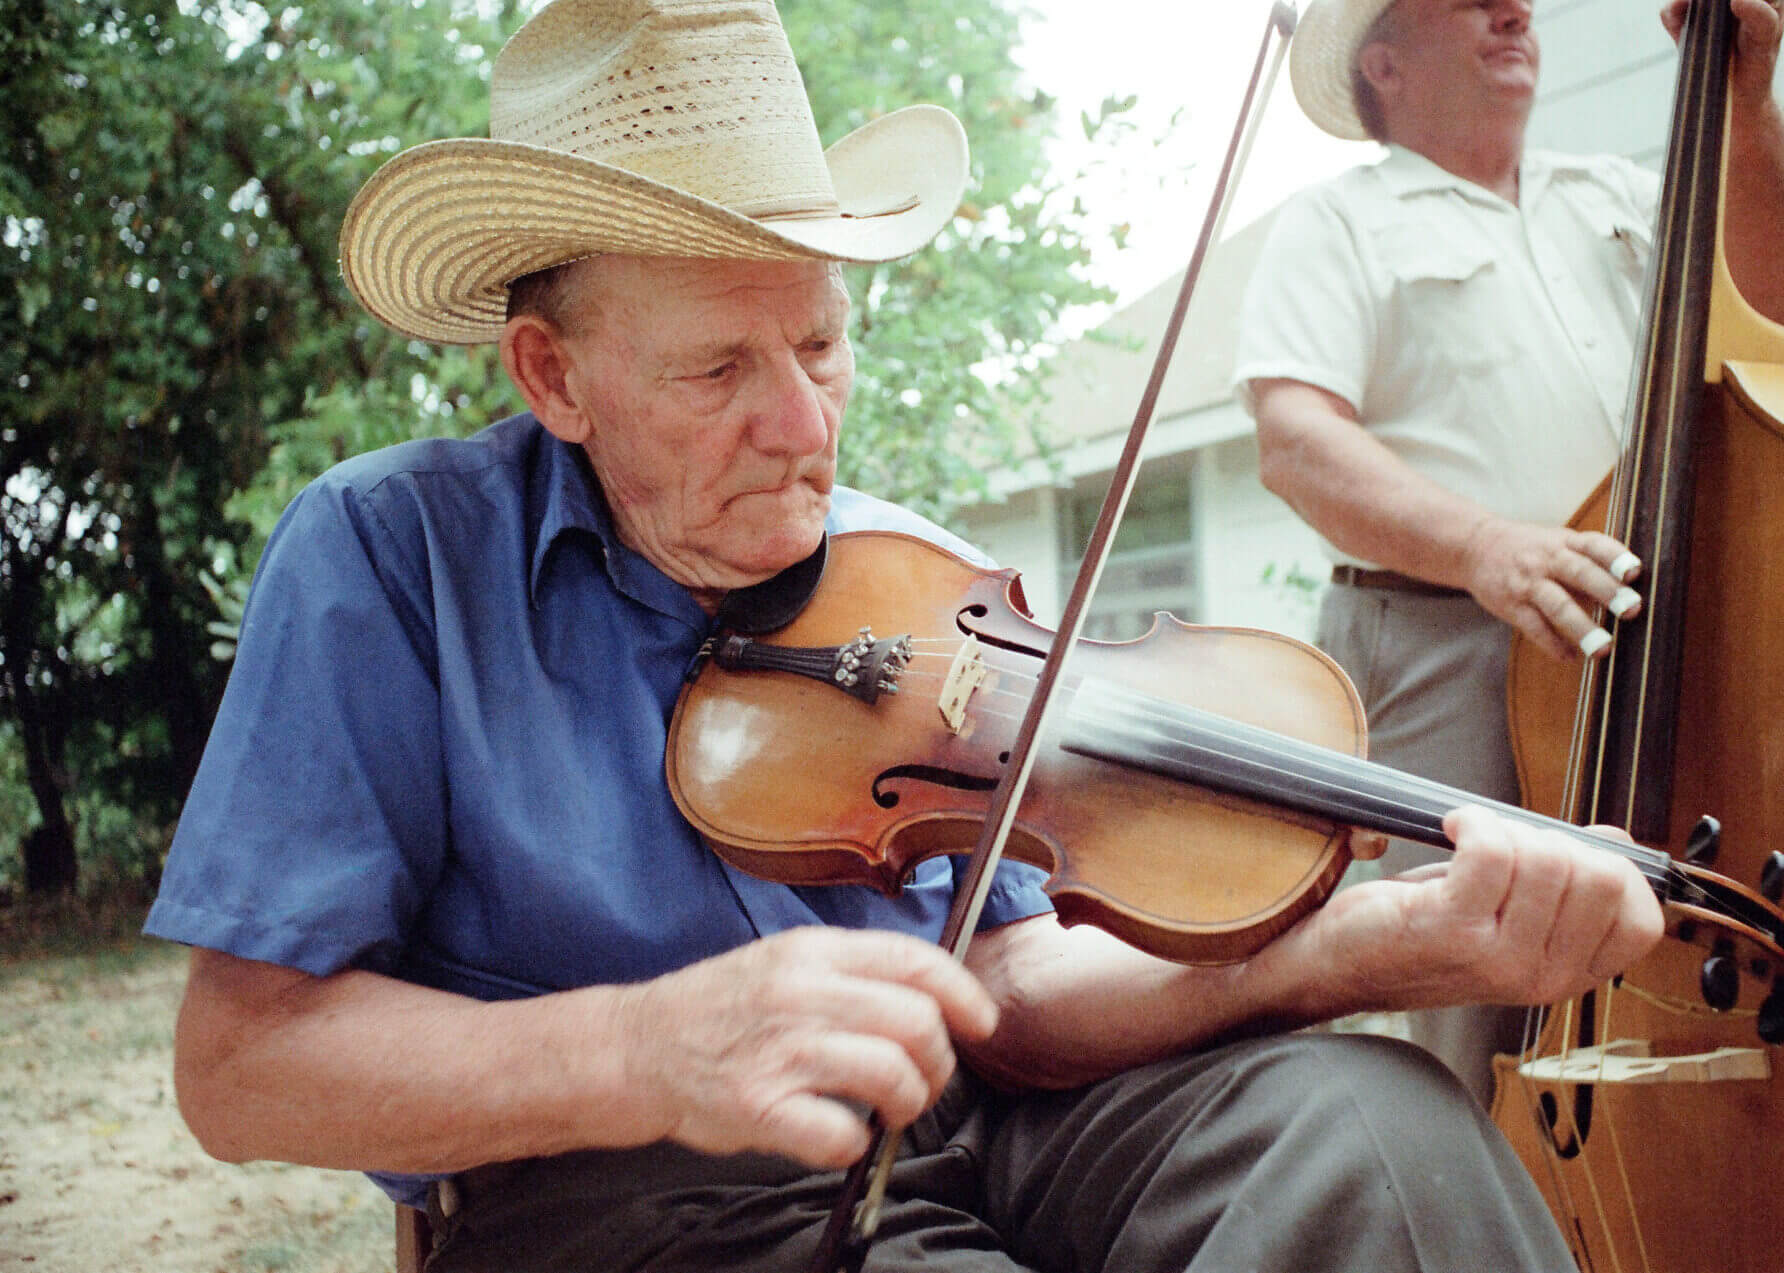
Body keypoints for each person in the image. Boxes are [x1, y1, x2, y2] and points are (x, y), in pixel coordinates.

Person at [146, 1, 1667, 1268]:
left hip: (989, 1121)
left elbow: (1018, 989)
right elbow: (240, 1067)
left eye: (820, 340)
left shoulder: (920, 572)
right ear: (553, 375)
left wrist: (1358, 944)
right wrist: (646, 1047)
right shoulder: (389, 556)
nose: (802, 425)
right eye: (717, 370)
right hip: (636, 1191)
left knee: (1376, 1135)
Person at [1231, 0, 1784, 1105]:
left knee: (1682, 939)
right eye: (1469, 0)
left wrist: (1746, 92)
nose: (1514, 11)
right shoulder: (1338, 220)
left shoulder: (1610, 192)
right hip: (1447, 637)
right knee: (1478, 975)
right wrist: (1487, 546)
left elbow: (1774, 304)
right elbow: (1296, 444)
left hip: (1648, 626)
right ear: (1385, 64)